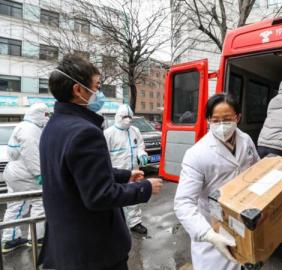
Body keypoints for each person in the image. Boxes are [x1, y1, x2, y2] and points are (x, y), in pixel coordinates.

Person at [38, 54, 163, 270]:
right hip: (94, 253)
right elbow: (99, 195)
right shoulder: (85, 132)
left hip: (66, 247)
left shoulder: (53, 127)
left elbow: (81, 173)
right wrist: (145, 188)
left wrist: (125, 175)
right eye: (97, 86)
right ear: (78, 89)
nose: (99, 93)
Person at [174, 94, 260, 270]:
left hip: (243, 221)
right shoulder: (197, 154)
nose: (222, 125)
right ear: (208, 120)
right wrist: (208, 235)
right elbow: (183, 203)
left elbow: (257, 171)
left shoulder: (246, 140)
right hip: (212, 228)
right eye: (216, 120)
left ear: (238, 117)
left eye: (227, 119)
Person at [1, 103, 49, 253]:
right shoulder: (31, 129)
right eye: (46, 114)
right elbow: (32, 154)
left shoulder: (24, 126)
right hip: (25, 174)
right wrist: (39, 174)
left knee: (16, 205)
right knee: (39, 203)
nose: (48, 118)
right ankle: (37, 237)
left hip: (15, 172)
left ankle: (10, 239)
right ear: (39, 114)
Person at [104, 104, 149, 235]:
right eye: (125, 117)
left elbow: (140, 145)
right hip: (117, 173)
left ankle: (135, 222)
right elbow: (103, 155)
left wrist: (141, 153)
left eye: (130, 117)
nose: (128, 120)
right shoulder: (108, 133)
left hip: (133, 172)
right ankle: (115, 225)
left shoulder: (135, 130)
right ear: (117, 117)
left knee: (133, 197)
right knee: (115, 199)